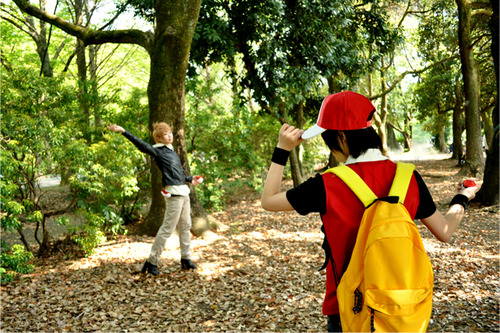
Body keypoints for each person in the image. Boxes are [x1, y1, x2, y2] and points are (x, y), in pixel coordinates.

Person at [260, 91, 480, 332]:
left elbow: (269, 200)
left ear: (341, 137)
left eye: (328, 140)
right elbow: (445, 230)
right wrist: (462, 197)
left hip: (346, 307)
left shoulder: (326, 184)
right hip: (400, 304)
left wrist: (282, 149)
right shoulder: (408, 177)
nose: (331, 148)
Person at [108, 122, 202, 275]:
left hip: (184, 193)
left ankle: (186, 259)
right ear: (159, 137)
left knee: (186, 226)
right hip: (174, 196)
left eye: (170, 133)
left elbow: (178, 175)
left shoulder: (171, 152)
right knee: (167, 229)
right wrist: (124, 131)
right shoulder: (158, 151)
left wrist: (191, 179)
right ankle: (152, 262)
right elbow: (142, 145)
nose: (170, 135)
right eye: (166, 134)